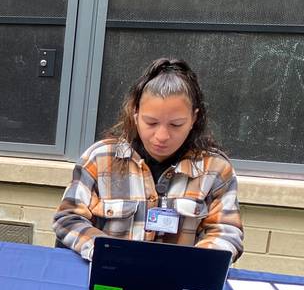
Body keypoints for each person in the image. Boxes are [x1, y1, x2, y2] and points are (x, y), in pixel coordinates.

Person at [53, 57, 244, 262]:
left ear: (194, 119)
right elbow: (69, 218)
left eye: (176, 125)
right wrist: (106, 251)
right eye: (151, 122)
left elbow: (226, 233)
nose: (162, 136)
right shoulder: (100, 159)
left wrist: (195, 265)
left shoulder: (215, 170)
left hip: (176, 283)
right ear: (135, 114)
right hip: (111, 276)